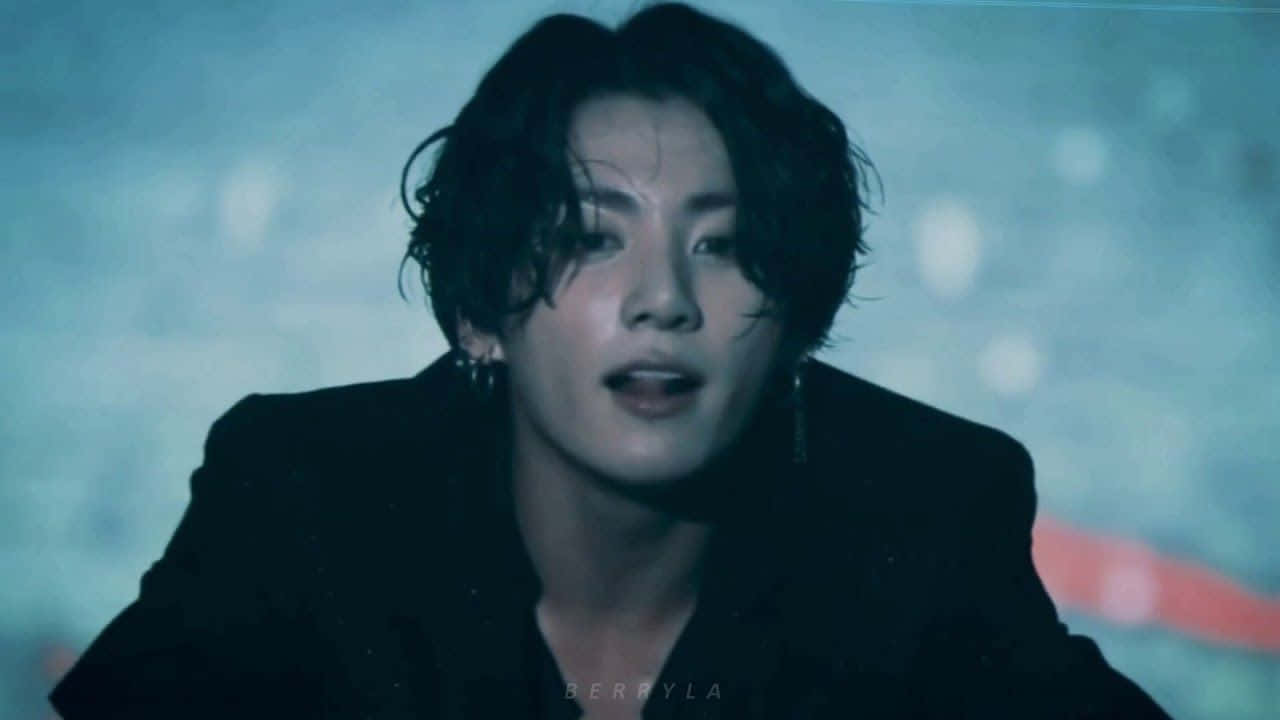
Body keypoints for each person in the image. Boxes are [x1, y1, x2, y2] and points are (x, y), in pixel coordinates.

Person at [49, 3, 1171, 718]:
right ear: (480, 311)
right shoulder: (302, 497)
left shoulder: (922, 516)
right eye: (591, 238)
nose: (662, 300)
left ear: (796, 317)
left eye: (722, 245)